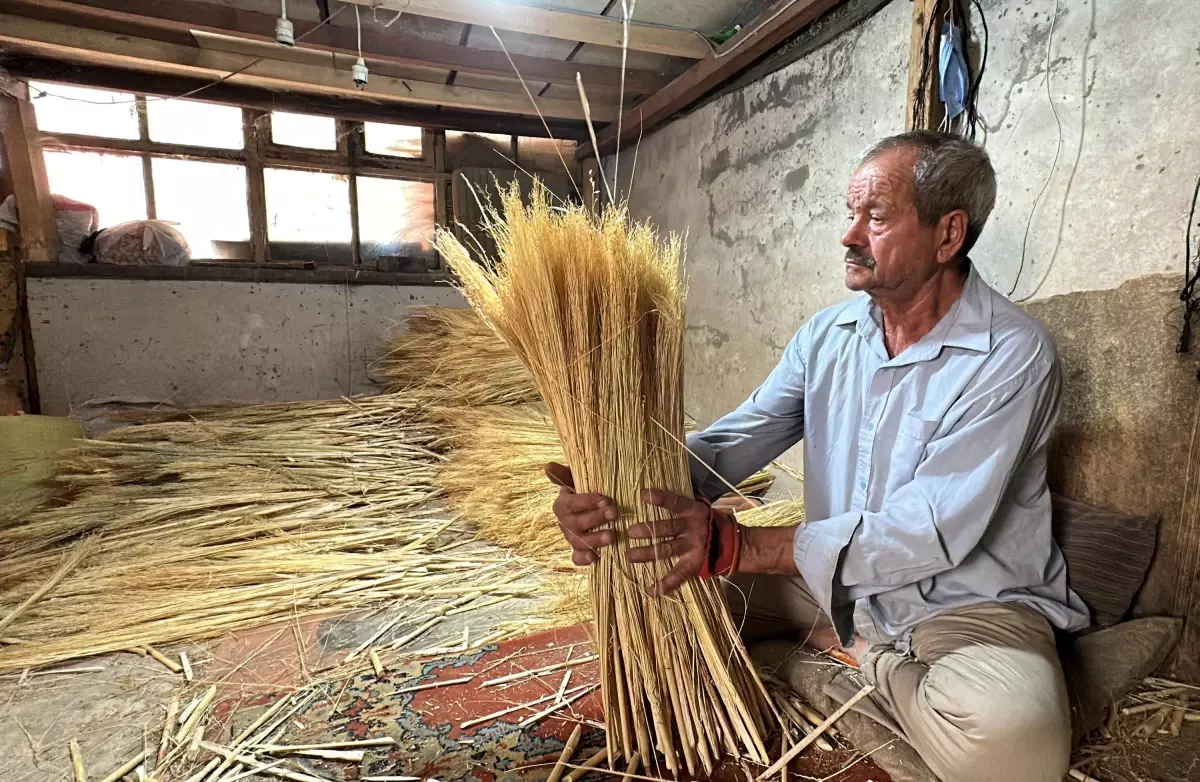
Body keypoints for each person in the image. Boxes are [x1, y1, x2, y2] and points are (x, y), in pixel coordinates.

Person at [545, 130, 1090, 782]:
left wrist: (739, 548)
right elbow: (729, 446)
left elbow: (930, 530)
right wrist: (618, 482)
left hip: (964, 605)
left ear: (947, 236)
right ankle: (846, 650)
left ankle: (850, 661)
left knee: (1014, 750)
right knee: (649, 594)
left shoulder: (1013, 354)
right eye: (849, 212)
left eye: (876, 217)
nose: (849, 234)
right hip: (834, 589)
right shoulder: (827, 337)